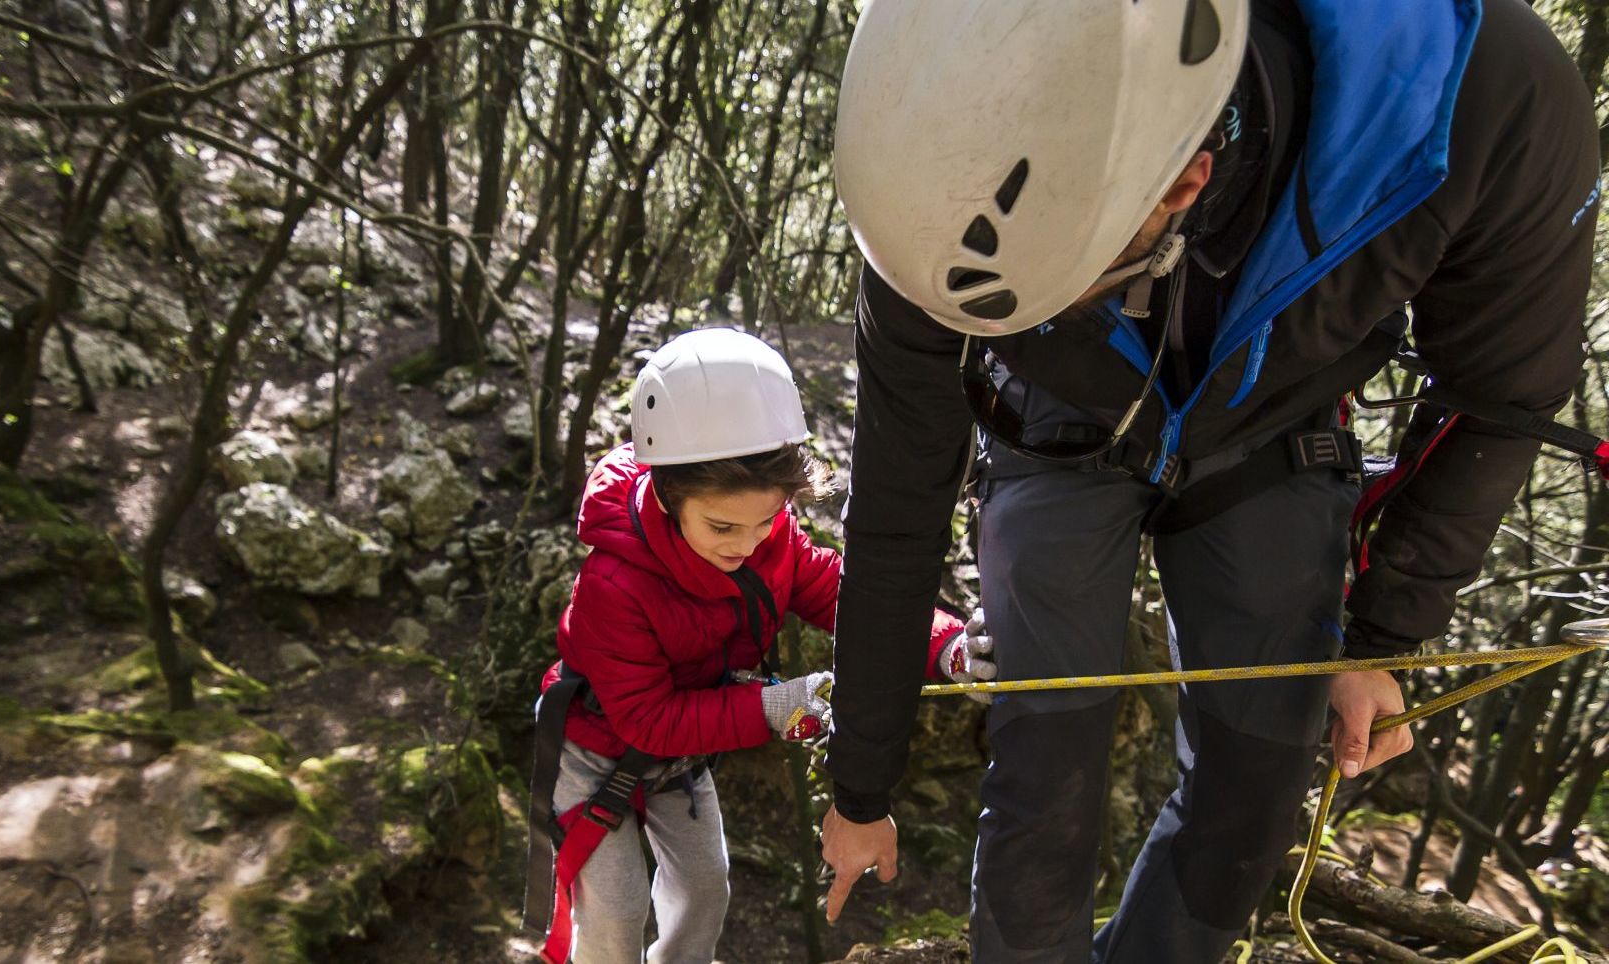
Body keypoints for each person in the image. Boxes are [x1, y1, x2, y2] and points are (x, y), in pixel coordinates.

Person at [817, 1, 1600, 962]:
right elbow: (897, 509)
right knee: (1046, 750)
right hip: (1061, 408)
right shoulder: (931, 192)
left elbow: (1498, 401)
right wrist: (862, 786)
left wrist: (1382, 639)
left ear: (1186, 182)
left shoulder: (1480, 92)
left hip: (1275, 411)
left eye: (1070, 276)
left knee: (1257, 775)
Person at [523, 328, 965, 964]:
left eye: (768, 519)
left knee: (705, 892)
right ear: (668, 493)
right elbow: (646, 716)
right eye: (724, 526)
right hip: (594, 751)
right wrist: (772, 707)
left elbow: (850, 599)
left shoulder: (769, 537)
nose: (749, 544)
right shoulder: (615, 585)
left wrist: (943, 642)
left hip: (685, 752)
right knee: (616, 913)